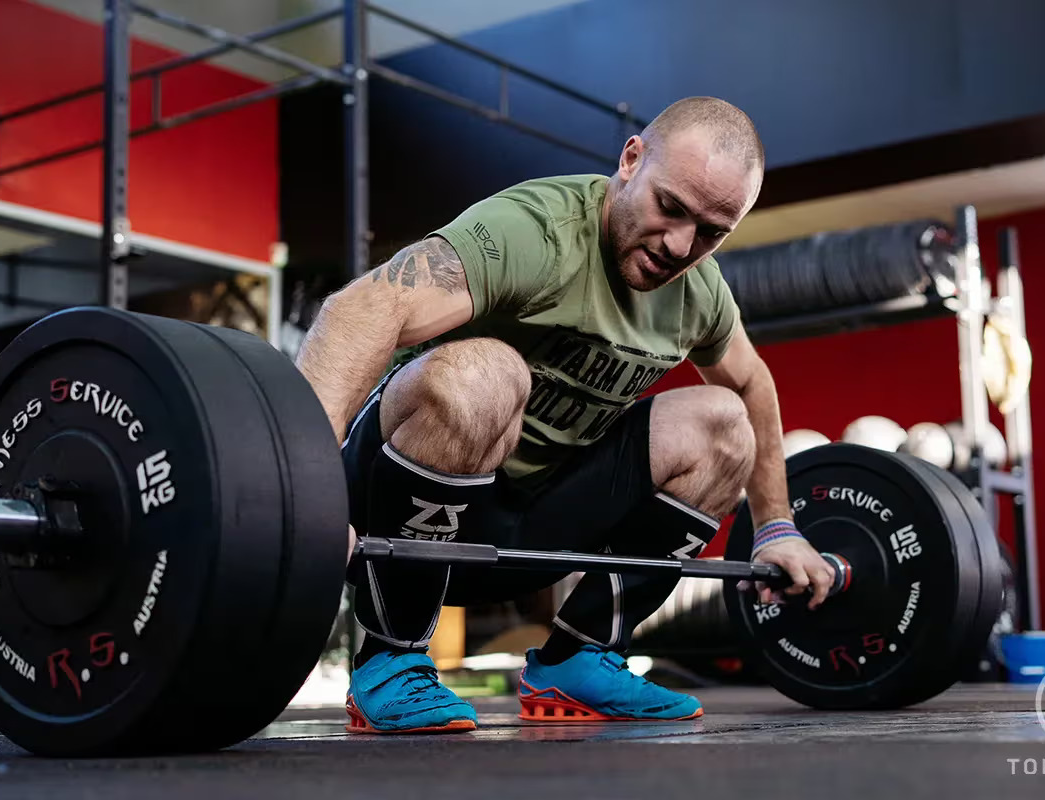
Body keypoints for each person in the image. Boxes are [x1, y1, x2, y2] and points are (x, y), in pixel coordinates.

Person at [296, 96, 835, 735]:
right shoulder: (537, 231)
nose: (680, 245)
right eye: (671, 207)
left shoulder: (697, 292)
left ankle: (579, 657)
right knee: (487, 374)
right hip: (399, 513)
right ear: (631, 160)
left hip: (535, 525)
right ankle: (391, 655)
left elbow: (750, 381)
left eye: (712, 231)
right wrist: (304, 500)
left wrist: (777, 526)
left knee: (722, 420)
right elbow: (359, 311)